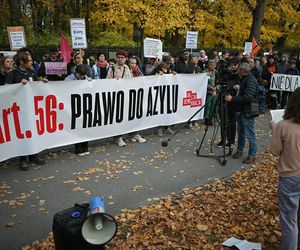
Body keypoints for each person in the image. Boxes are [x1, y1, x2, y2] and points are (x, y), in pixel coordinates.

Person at [269, 87, 300, 250]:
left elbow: (275, 151)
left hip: (291, 177)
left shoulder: (283, 126)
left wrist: (275, 131)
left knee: (289, 220)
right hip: (293, 175)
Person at [5, 52, 47, 170]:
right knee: (22, 134)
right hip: (19, 110)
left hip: (32, 108)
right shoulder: (13, 74)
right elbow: (6, 90)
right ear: (21, 62)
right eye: (29, 61)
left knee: (34, 131)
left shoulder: (32, 72)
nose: (31, 62)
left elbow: (35, 86)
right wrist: (18, 85)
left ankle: (34, 155)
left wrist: (41, 82)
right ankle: (23, 159)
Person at [106, 49, 145, 146]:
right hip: (117, 97)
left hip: (127, 96)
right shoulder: (112, 69)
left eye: (122, 57)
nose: (120, 59)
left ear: (125, 58)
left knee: (131, 115)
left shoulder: (128, 68)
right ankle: (118, 137)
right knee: (118, 118)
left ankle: (134, 134)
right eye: (118, 57)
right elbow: (106, 82)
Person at [225, 62, 258, 164]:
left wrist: (232, 99)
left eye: (239, 70)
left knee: (249, 134)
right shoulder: (244, 79)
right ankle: (240, 150)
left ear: (243, 71)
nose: (237, 71)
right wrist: (239, 88)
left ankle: (252, 155)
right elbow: (245, 92)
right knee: (241, 133)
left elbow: (248, 97)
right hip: (240, 110)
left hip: (247, 111)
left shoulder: (250, 80)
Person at [65, 65, 92, 155]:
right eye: (80, 75)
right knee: (76, 127)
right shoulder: (68, 79)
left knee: (85, 126)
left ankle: (85, 146)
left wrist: (90, 82)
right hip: (73, 106)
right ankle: (78, 148)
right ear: (75, 72)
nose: (81, 77)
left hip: (84, 105)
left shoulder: (85, 78)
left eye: (83, 75)